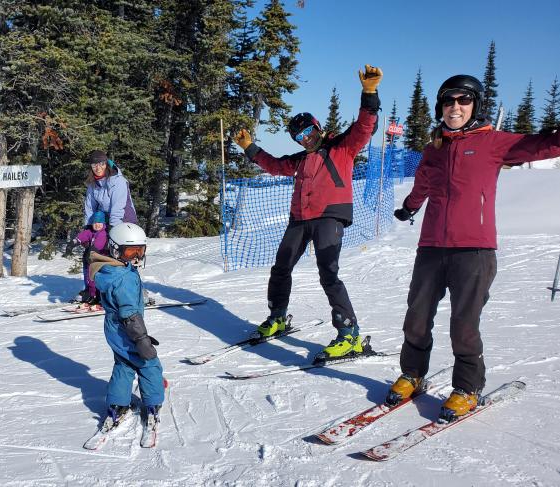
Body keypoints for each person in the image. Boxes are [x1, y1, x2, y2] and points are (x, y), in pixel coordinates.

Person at [385, 74, 560, 422]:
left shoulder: (493, 142)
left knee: (464, 324)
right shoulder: (434, 149)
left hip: (474, 250)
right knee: (416, 318)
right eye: (449, 101)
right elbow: (423, 184)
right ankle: (412, 374)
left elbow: (544, 145)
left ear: (475, 105)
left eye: (463, 101)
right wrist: (409, 207)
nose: (455, 107)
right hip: (432, 246)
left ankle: (466, 388)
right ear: (441, 107)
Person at [233, 64, 382, 362]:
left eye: (309, 131)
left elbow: (365, 127)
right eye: (299, 136)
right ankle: (277, 316)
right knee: (281, 267)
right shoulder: (300, 160)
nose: (305, 138)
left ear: (318, 128)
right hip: (300, 219)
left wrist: (369, 93)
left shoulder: (341, 147)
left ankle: (349, 334)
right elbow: (274, 165)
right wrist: (249, 147)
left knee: (328, 272)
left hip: (330, 216)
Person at [89, 223, 164, 437]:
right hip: (127, 329)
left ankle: (117, 405)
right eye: (130, 252)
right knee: (149, 363)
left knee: (124, 364)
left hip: (114, 328)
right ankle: (152, 404)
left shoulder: (111, 268)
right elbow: (130, 314)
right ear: (114, 249)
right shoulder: (123, 277)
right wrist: (141, 339)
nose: (136, 257)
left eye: (140, 251)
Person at [74, 150, 139, 306]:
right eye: (94, 164)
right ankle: (93, 291)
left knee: (120, 256)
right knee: (91, 254)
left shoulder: (118, 181)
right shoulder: (93, 184)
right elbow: (90, 207)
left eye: (101, 163)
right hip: (104, 223)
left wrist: (112, 232)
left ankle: (132, 289)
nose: (98, 167)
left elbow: (118, 208)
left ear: (106, 163)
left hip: (123, 221)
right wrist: (88, 228)